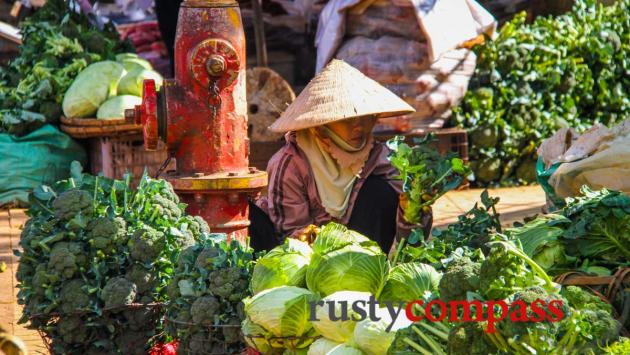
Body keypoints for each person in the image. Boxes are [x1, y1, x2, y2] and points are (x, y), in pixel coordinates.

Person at [249, 59, 433, 253]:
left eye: (365, 117)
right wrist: (314, 240)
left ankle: (366, 270)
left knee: (379, 192)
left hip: (359, 256)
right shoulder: (290, 164)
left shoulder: (380, 157)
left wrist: (414, 208)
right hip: (306, 259)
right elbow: (288, 235)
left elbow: (412, 238)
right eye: (348, 119)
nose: (359, 126)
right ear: (322, 124)